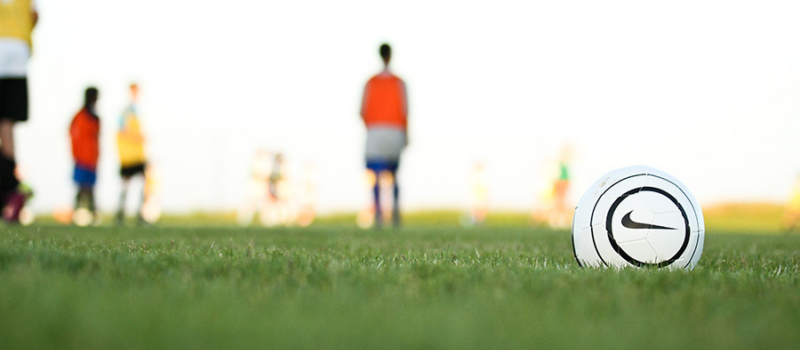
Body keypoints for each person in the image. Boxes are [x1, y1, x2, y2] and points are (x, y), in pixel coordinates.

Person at [360, 43, 408, 229]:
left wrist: (372, 128)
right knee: (393, 174)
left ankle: (379, 214)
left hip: (376, 130)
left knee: (375, 174)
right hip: (395, 130)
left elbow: (362, 111)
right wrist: (405, 134)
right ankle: (395, 212)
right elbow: (405, 111)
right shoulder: (399, 82)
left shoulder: (370, 82)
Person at [0, 0, 38, 223]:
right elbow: (34, 15)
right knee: (7, 124)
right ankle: (11, 190)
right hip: (18, 51)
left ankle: (8, 189)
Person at [115, 83, 147, 224]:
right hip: (128, 155)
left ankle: (140, 214)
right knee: (126, 185)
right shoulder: (126, 112)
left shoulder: (136, 111)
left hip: (137, 154)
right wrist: (137, 138)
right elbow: (122, 131)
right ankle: (120, 215)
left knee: (143, 184)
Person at [70, 87, 100, 226]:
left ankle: (93, 215)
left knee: (91, 188)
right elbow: (73, 136)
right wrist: (76, 154)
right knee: (81, 188)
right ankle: (76, 214)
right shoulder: (80, 116)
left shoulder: (95, 117)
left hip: (92, 158)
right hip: (81, 158)